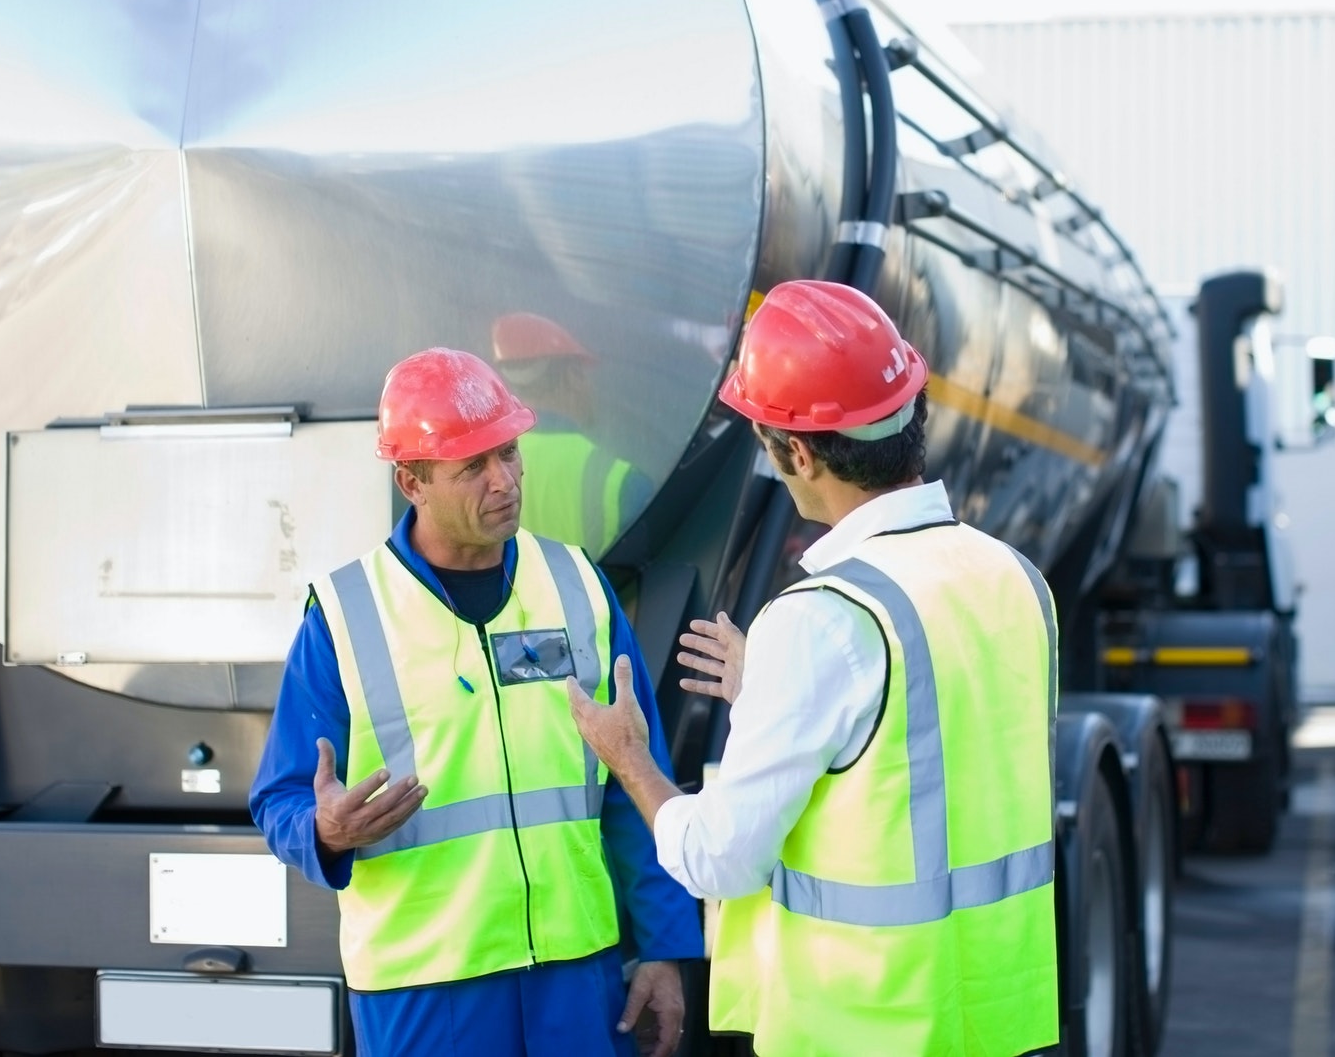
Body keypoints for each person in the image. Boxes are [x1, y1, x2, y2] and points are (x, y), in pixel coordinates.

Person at [568, 280, 1061, 1056]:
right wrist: (773, 690)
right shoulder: (1013, 577)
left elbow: (717, 856)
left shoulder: (823, 621)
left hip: (867, 1030)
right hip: (998, 1021)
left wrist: (629, 758)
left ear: (797, 451)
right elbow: (931, 744)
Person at [251, 348, 700, 1057]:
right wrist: (326, 830)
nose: (506, 481)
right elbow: (278, 799)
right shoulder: (343, 615)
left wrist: (665, 946)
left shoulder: (577, 585)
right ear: (412, 481)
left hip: (575, 973)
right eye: (473, 467)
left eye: (510, 454)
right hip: (425, 989)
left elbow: (632, 783)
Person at [490, 312, 651, 553]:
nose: (591, 388)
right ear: (573, 376)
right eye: (585, 375)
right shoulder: (620, 482)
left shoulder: (479, 469)